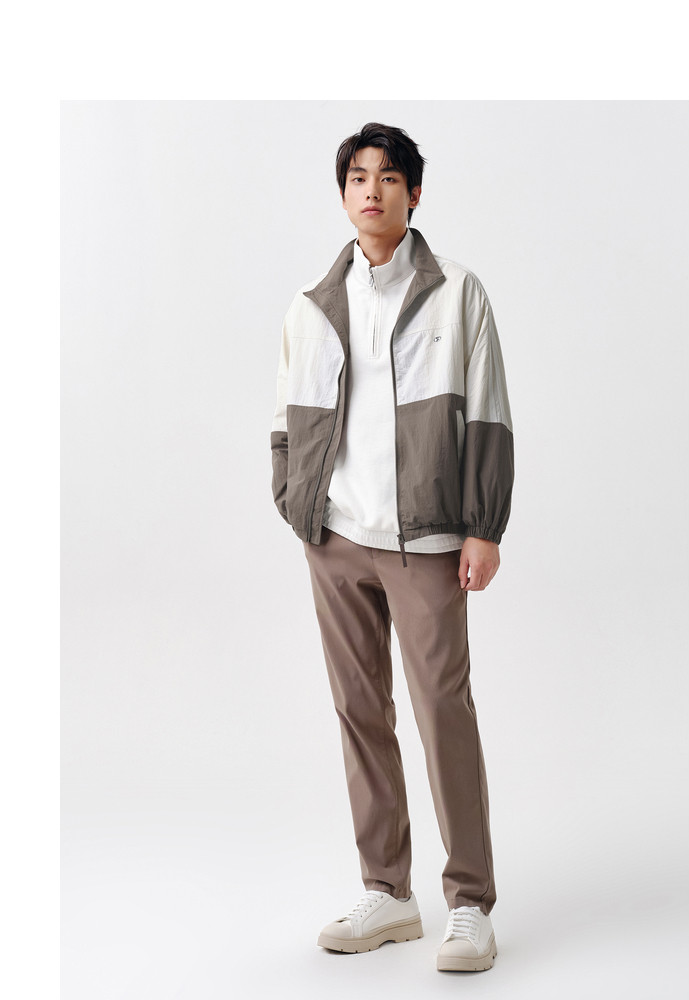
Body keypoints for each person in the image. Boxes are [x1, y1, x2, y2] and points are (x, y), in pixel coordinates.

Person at [270, 122, 514, 973]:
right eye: (357, 177)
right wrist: (297, 504)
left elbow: (489, 414)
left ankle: (470, 902)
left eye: (388, 177)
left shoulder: (457, 294)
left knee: (443, 707)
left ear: (414, 193)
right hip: (336, 537)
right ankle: (389, 891)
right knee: (360, 710)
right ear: (344, 194)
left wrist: (483, 525)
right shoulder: (311, 304)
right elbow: (285, 419)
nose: (371, 190)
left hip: (430, 537)